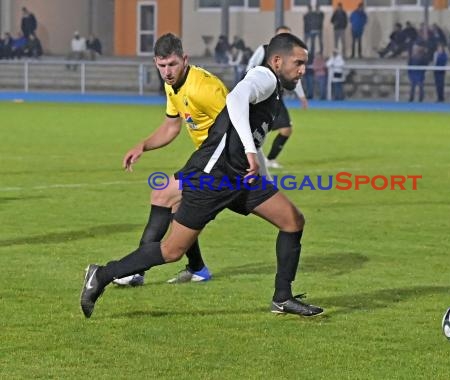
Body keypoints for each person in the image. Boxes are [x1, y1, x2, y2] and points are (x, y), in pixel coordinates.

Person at [80, 32, 324, 319]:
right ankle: (102, 274)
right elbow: (235, 100)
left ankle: (283, 298)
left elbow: (251, 138)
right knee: (171, 250)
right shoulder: (265, 76)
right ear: (277, 60)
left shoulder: (275, 87)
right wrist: (247, 150)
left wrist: (256, 163)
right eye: (298, 63)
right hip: (214, 175)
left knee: (292, 221)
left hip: (239, 176)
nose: (303, 70)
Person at [112, 33, 273, 288]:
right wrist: (143, 145)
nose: (167, 71)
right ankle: (198, 269)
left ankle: (136, 270)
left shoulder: (204, 89)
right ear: (155, 62)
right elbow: (171, 128)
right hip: (208, 159)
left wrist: (250, 162)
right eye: (162, 65)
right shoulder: (172, 84)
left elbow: (237, 122)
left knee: (162, 194)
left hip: (221, 162)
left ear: (184, 59)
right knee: (178, 208)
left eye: (172, 64)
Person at [246, 25, 308, 169]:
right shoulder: (263, 50)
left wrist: (302, 97)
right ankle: (245, 162)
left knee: (286, 129)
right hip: (260, 98)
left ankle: (270, 160)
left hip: (276, 99)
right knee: (253, 132)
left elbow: (295, 77)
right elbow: (250, 66)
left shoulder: (293, 57)